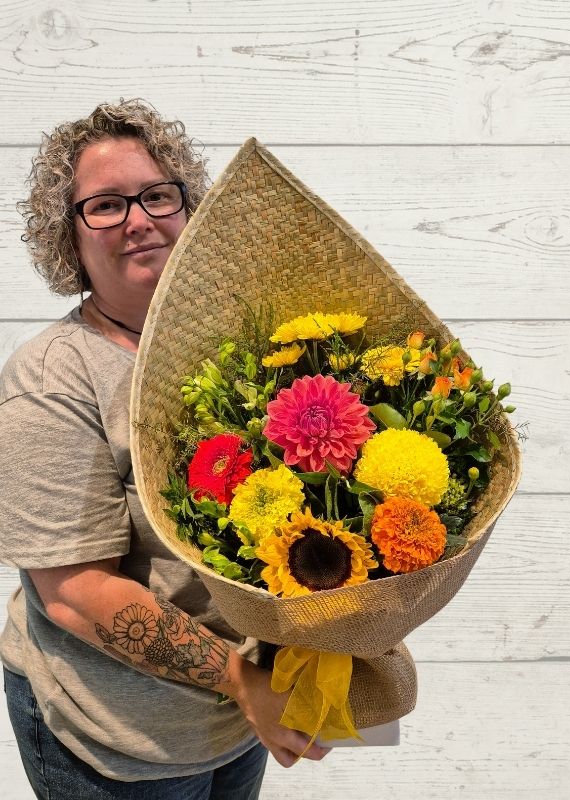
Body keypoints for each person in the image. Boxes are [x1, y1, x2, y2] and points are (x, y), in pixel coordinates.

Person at [0, 98, 330, 799]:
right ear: (70, 237)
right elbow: (75, 594)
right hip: (117, 737)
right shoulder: (52, 378)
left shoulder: (245, 348)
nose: (140, 219)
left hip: (242, 714)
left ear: (187, 209)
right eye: (106, 205)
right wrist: (242, 678)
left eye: (156, 195)